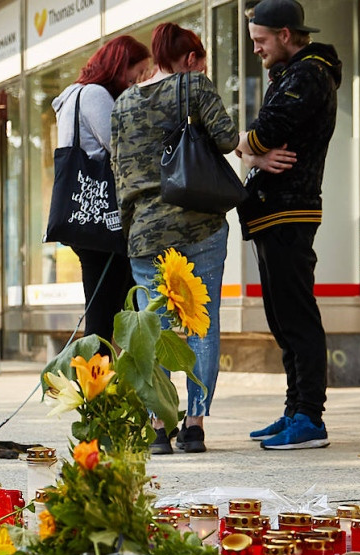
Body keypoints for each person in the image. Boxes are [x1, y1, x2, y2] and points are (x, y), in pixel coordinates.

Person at [110, 23, 238, 456]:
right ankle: (195, 425)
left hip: (145, 232)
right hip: (200, 225)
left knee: (155, 327)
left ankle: (157, 425)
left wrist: (132, 226)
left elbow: (119, 170)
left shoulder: (122, 104)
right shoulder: (194, 85)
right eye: (201, 61)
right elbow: (227, 139)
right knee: (202, 321)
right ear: (190, 59)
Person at [235, 0, 341, 450]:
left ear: (284, 34)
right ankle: (294, 408)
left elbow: (260, 133)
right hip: (272, 210)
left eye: (260, 40)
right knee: (282, 319)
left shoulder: (308, 74)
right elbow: (255, 144)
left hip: (289, 212)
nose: (256, 49)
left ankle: (310, 417)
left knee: (297, 316)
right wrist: (253, 154)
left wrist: (247, 146)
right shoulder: (291, 74)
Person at [51, 36, 152, 349]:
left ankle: (101, 377)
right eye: (137, 72)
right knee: (104, 318)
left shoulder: (72, 95)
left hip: (85, 217)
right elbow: (121, 146)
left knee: (108, 312)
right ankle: (92, 378)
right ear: (120, 66)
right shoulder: (94, 94)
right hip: (102, 219)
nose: (139, 79)